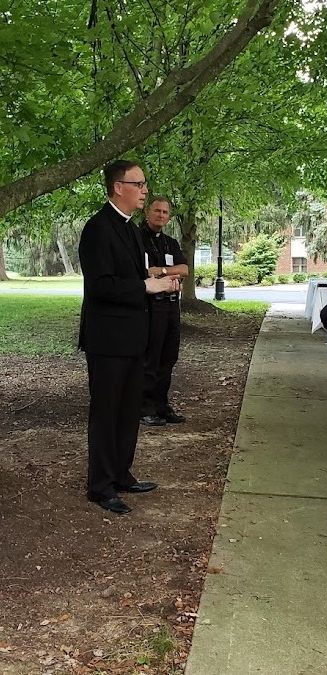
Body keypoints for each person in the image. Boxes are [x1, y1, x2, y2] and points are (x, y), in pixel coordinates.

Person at [78, 160, 179, 515]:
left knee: (127, 410)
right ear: (119, 186)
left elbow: (136, 276)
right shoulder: (97, 229)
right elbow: (101, 286)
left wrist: (158, 279)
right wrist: (145, 285)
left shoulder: (130, 229)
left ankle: (121, 473)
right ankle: (100, 485)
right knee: (106, 412)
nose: (145, 190)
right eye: (139, 184)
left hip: (134, 336)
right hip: (108, 340)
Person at [139, 197, 189, 426]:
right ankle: (145, 407)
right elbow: (142, 271)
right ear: (147, 212)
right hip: (151, 306)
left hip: (171, 306)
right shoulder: (138, 239)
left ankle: (162, 405)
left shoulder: (171, 243)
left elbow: (184, 269)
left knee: (169, 356)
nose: (161, 215)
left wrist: (161, 270)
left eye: (165, 212)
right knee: (151, 357)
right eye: (157, 211)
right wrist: (166, 273)